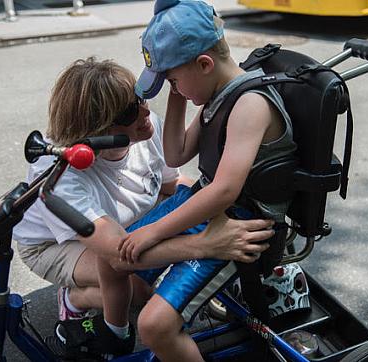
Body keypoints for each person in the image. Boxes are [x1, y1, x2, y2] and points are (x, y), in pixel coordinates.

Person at [12, 57, 274, 357]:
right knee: (138, 289)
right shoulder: (61, 176)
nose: (145, 111)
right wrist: (208, 244)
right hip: (55, 244)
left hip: (117, 222)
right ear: (97, 129)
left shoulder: (145, 129)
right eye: (128, 111)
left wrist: (219, 207)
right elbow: (116, 254)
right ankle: (76, 300)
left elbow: (171, 185)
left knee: (144, 266)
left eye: (138, 98)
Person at [117, 0, 296, 360]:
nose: (176, 88)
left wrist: (155, 230)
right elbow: (176, 154)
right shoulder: (218, 95)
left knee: (154, 325)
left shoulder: (250, 105)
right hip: (211, 204)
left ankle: (171, 327)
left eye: (174, 80)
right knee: (125, 257)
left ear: (204, 64)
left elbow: (225, 190)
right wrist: (177, 94)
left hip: (242, 225)